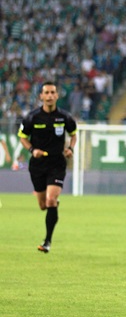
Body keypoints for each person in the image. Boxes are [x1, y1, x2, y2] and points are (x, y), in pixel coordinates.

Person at [18, 81, 77, 253]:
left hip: (57, 164)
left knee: (51, 200)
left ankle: (47, 242)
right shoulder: (32, 117)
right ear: (41, 96)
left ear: (57, 96)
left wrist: (70, 148)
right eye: (47, 93)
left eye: (53, 92)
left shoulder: (65, 117)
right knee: (43, 205)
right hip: (37, 165)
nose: (50, 96)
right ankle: (53, 205)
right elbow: (22, 137)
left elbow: (73, 134)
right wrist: (32, 150)